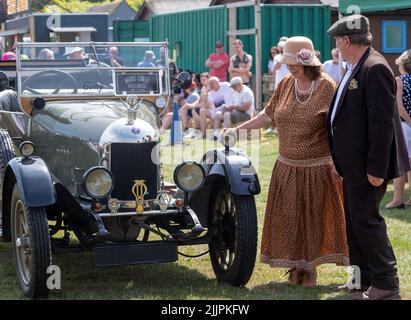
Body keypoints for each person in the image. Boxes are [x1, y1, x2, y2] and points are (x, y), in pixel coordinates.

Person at [225, 36, 349, 287]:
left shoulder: (327, 86)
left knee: (314, 221)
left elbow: (339, 128)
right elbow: (266, 115)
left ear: (309, 61)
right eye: (287, 61)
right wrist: (239, 129)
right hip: (287, 168)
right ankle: (294, 268)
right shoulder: (285, 83)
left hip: (318, 169)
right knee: (290, 219)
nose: (290, 66)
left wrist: (339, 163)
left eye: (294, 62)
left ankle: (310, 271)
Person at [327, 14, 409, 300]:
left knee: (366, 221)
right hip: (352, 164)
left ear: (347, 40)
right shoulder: (357, 66)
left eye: (338, 40)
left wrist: (375, 168)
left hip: (366, 166)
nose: (336, 46)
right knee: (354, 221)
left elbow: (382, 123)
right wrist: (340, 160)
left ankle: (386, 282)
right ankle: (358, 280)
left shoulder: (374, 68)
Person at [385, 50, 411, 209]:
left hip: (403, 126)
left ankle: (397, 199)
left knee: (401, 163)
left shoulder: (398, 80)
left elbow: (399, 109)